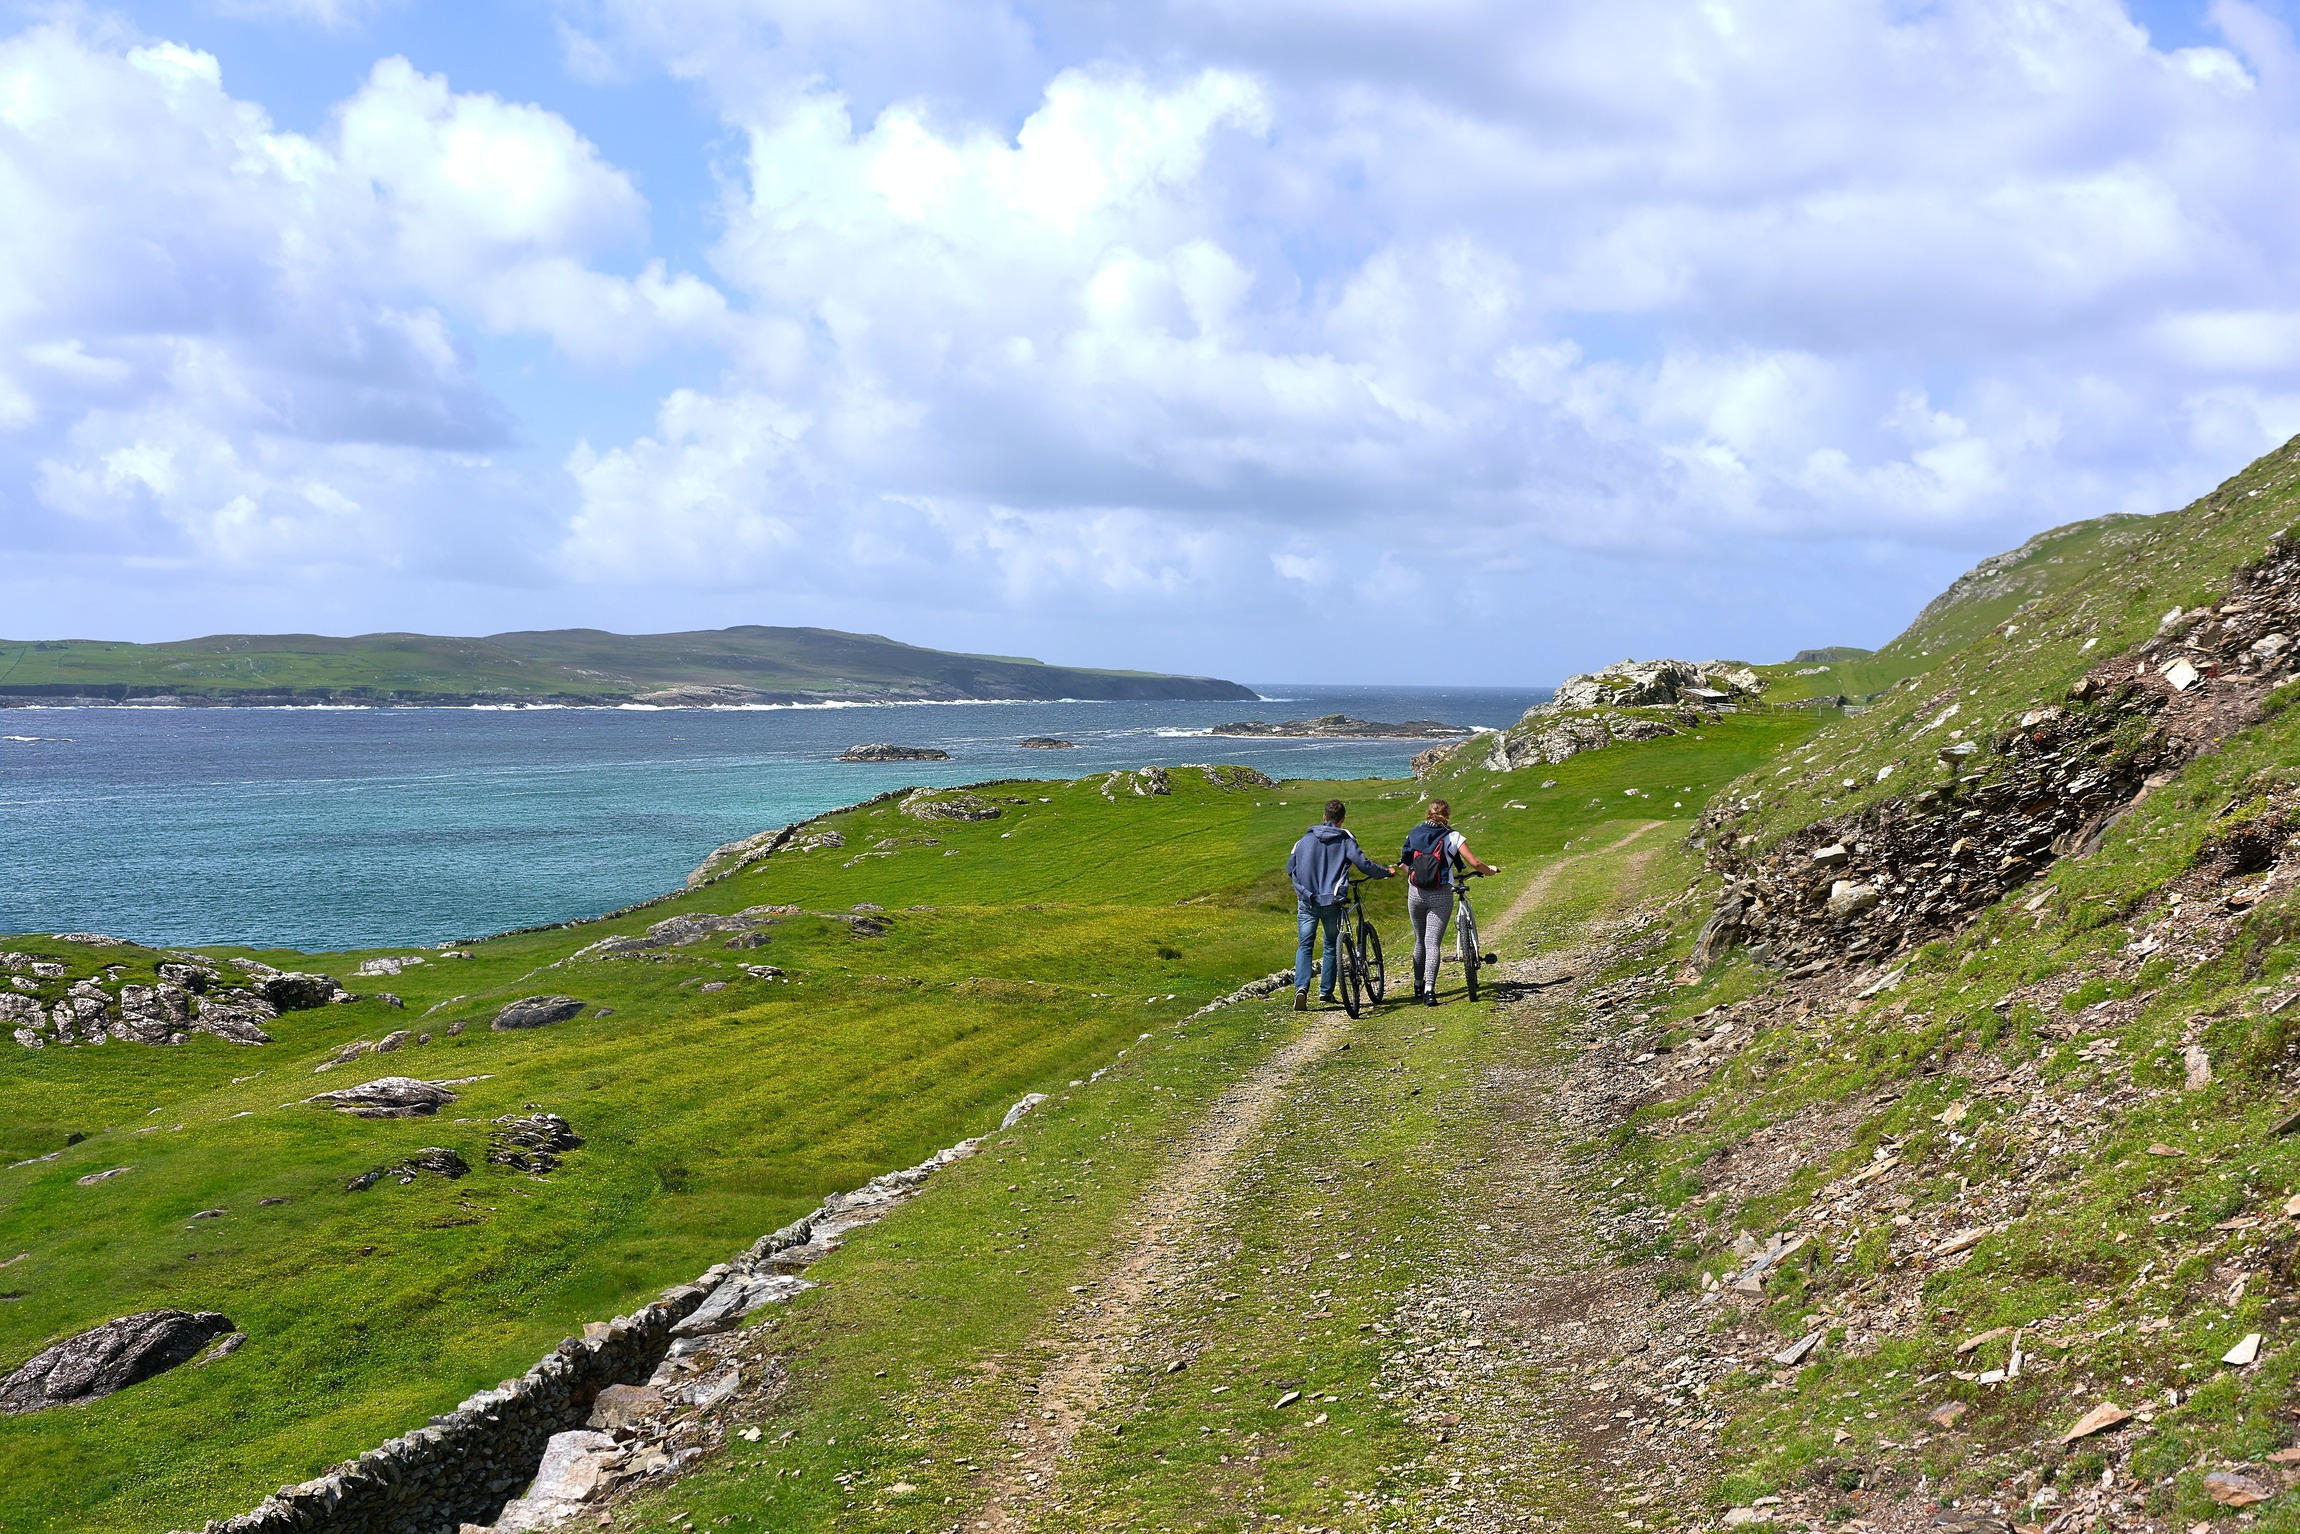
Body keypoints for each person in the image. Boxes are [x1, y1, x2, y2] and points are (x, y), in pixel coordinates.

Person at [1286, 799, 1393, 1009]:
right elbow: (1364, 864)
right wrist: (1385, 873)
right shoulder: (1345, 839)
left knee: (1305, 945)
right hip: (1332, 901)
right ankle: (1325, 992)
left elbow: (1290, 867)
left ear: (1324, 816)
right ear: (1342, 819)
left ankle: (1301, 989)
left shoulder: (1303, 840)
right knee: (1330, 946)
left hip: (1307, 901)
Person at [1398, 799, 1500, 1006]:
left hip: (1416, 893)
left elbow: (1402, 862)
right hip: (1441, 894)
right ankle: (1429, 991)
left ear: (1428, 813)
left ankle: (1418, 984)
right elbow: (1475, 863)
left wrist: (1414, 876)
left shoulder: (1414, 832)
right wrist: (1490, 871)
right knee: (1432, 942)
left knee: (1419, 940)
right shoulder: (1453, 836)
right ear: (1448, 815)